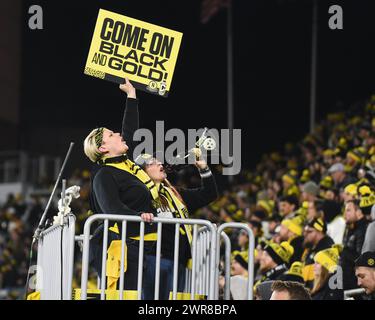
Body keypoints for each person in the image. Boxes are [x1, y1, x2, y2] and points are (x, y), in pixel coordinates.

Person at [83, 79, 157, 291]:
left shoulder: (125, 164)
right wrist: (140, 217)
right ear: (103, 147)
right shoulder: (104, 174)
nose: (118, 134)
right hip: (122, 249)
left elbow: (130, 131)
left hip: (140, 247)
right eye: (111, 134)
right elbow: (112, 210)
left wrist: (131, 95)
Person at [134, 151, 218, 300]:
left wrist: (203, 168)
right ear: (142, 172)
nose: (160, 163)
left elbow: (209, 194)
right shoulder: (138, 194)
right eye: (152, 162)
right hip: (152, 260)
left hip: (179, 260)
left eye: (159, 161)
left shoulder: (174, 193)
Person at [339, 199, 369, 290]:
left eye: (348, 210)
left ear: (359, 212)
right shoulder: (352, 228)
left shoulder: (364, 229)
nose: (345, 214)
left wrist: (343, 251)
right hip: (349, 281)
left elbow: (361, 258)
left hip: (356, 283)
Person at [302, 217, 334, 289]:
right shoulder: (311, 248)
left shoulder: (327, 249)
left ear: (320, 232)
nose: (305, 234)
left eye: (309, 231)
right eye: (305, 231)